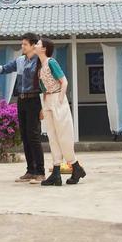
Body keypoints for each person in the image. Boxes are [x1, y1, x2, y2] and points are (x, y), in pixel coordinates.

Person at [0, 32, 45, 183]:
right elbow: (4, 69)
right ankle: (30, 171)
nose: (22, 46)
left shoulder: (40, 62)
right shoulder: (20, 60)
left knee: (34, 136)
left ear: (33, 45)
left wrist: (43, 108)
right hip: (21, 100)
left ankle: (40, 172)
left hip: (34, 101)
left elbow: (45, 85)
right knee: (25, 136)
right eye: (22, 44)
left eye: (25, 44)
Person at [34, 37, 86, 186]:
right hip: (48, 101)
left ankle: (74, 165)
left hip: (57, 99)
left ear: (44, 48)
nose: (36, 45)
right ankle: (57, 172)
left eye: (38, 43)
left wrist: (61, 98)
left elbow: (64, 81)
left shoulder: (51, 62)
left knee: (64, 135)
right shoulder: (41, 66)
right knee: (52, 136)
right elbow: (44, 88)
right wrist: (44, 105)